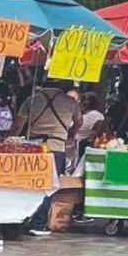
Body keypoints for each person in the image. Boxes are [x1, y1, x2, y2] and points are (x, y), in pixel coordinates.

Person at [14, 81, 82, 236]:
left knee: (28, 183)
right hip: (56, 147)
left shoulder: (31, 100)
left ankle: (21, 218)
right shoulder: (71, 102)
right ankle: (38, 224)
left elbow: (19, 124)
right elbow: (79, 123)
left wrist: (12, 138)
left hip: (33, 147)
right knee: (48, 185)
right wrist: (69, 133)